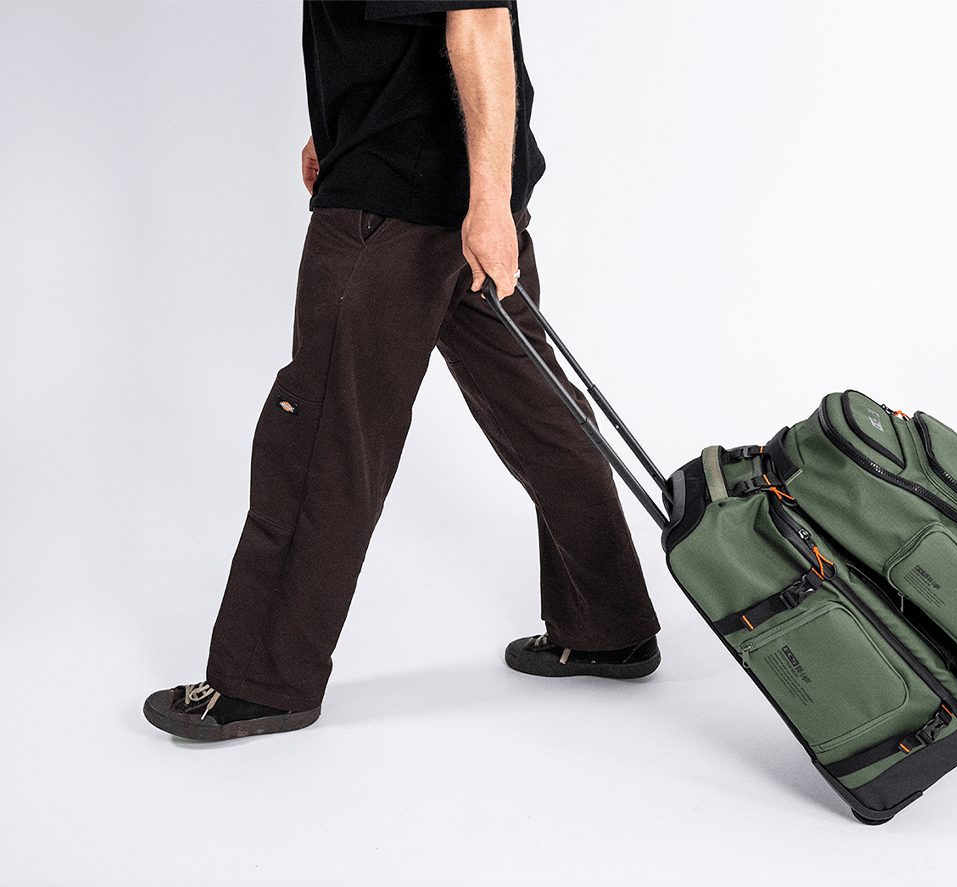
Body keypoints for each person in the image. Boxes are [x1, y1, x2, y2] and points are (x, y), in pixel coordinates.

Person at [143, 0, 660, 742]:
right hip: (445, 192)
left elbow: (480, 20)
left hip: (395, 208)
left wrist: (488, 205)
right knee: (541, 413)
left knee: (320, 434)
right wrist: (340, 129)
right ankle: (609, 627)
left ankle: (260, 681)